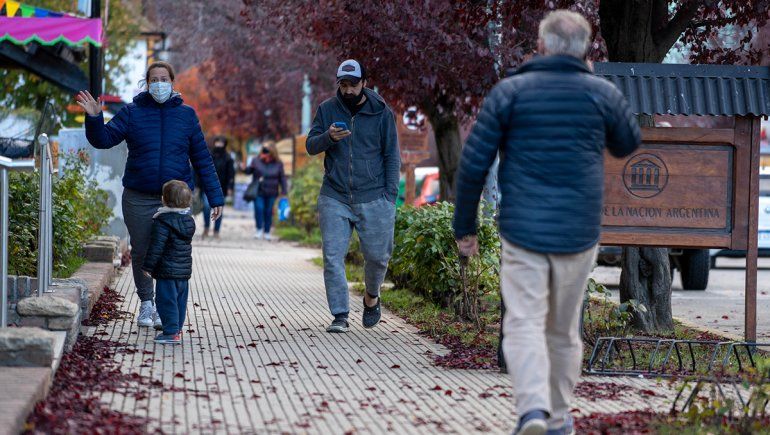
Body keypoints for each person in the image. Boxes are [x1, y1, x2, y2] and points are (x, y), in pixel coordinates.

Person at [452, 10, 640, 435]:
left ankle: (533, 411)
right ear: (587, 51)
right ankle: (557, 419)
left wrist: (465, 228)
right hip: (579, 232)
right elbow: (628, 141)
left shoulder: (510, 92)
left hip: (523, 232)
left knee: (521, 322)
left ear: (540, 46)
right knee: (563, 329)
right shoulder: (601, 93)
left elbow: (473, 164)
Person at [77, 61, 224, 330]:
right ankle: (147, 303)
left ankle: (167, 309)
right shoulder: (132, 113)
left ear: (172, 82)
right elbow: (104, 139)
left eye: (164, 79)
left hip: (176, 200)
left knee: (171, 253)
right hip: (139, 197)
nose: (159, 84)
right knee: (143, 251)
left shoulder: (187, 116)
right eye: (154, 79)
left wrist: (216, 197)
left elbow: (202, 158)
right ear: (147, 83)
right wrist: (95, 117)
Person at [306, 59, 400, 333]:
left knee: (377, 257)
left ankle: (372, 297)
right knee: (333, 256)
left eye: (353, 85)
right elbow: (311, 146)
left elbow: (391, 156)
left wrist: (390, 196)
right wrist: (328, 138)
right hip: (334, 195)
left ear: (364, 83)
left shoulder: (382, 112)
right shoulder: (327, 109)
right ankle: (340, 314)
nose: (348, 90)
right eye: (343, 85)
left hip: (374, 197)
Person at [141, 180, 195, 345]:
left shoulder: (162, 221)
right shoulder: (188, 221)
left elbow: (156, 247)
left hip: (166, 272)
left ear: (164, 200)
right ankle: (176, 329)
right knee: (179, 302)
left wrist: (148, 266)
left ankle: (171, 333)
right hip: (183, 273)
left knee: (165, 301)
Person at [242, 144, 287, 241]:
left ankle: (267, 232)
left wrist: (284, 191)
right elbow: (249, 171)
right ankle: (258, 229)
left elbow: (282, 178)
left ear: (272, 153)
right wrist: (245, 168)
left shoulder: (278, 164)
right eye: (263, 151)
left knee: (268, 211)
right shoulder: (256, 161)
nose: (263, 154)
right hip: (259, 191)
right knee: (259, 209)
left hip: (272, 191)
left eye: (266, 152)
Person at [201, 136, 235, 238]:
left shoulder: (228, 158)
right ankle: (206, 227)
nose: (219, 145)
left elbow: (231, 174)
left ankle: (216, 231)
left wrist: (230, 187)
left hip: (221, 188)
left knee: (218, 209)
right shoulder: (209, 155)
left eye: (221, 143)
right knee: (207, 207)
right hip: (207, 186)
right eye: (217, 142)